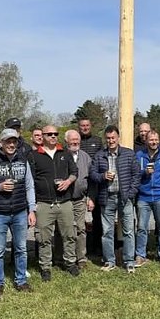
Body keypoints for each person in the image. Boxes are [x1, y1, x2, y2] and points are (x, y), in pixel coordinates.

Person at [0, 128, 36, 299]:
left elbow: (29, 186)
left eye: (14, 141)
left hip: (19, 212)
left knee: (21, 248)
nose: (11, 144)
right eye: (8, 141)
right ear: (0, 143)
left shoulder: (23, 161)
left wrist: (32, 209)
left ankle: (21, 280)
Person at [29, 125, 79, 281]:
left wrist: (69, 182)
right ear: (42, 136)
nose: (53, 136)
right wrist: (32, 204)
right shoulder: (34, 155)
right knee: (44, 238)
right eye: (49, 134)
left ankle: (70, 262)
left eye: (55, 134)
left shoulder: (65, 153)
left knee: (70, 234)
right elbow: (29, 180)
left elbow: (74, 172)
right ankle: (45, 267)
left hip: (65, 202)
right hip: (44, 203)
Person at [89, 125, 140, 272]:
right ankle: (109, 261)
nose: (111, 141)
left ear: (118, 138)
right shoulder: (100, 155)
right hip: (107, 197)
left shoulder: (129, 154)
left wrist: (131, 193)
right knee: (107, 231)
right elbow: (92, 175)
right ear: (106, 139)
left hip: (125, 198)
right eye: (108, 138)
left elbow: (136, 175)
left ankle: (129, 261)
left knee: (129, 230)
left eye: (113, 138)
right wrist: (103, 176)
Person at [134, 130, 160, 267]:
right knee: (141, 228)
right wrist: (144, 172)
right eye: (151, 140)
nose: (154, 142)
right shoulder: (139, 155)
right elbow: (134, 175)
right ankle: (140, 255)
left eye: (156, 139)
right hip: (143, 197)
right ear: (146, 140)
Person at [63, 129, 96, 267]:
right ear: (66, 142)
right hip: (64, 199)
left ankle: (81, 257)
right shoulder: (61, 156)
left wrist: (90, 197)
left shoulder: (85, 157)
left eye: (77, 140)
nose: (76, 142)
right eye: (72, 140)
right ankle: (61, 257)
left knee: (81, 229)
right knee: (64, 229)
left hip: (80, 199)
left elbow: (92, 179)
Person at [78, 118, 102, 254]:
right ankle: (82, 248)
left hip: (95, 182)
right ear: (79, 126)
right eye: (82, 125)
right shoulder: (75, 140)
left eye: (87, 125)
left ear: (90, 126)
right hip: (80, 181)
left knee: (97, 217)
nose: (85, 127)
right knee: (80, 218)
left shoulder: (97, 141)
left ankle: (96, 246)